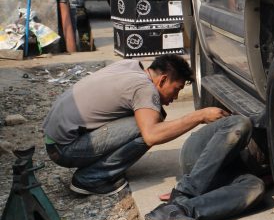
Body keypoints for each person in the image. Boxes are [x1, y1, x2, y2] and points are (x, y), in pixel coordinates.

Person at [42, 54, 229, 196]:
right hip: (63, 149)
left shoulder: (131, 67)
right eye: (176, 89)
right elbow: (152, 135)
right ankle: (90, 179)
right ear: (163, 79)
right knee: (148, 127)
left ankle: (94, 171)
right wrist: (198, 116)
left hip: (57, 140)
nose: (176, 97)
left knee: (150, 117)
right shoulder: (145, 89)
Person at [143, 114, 267, 220]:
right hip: (201, 154)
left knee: (256, 187)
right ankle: (182, 193)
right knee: (240, 123)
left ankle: (180, 210)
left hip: (230, 171)